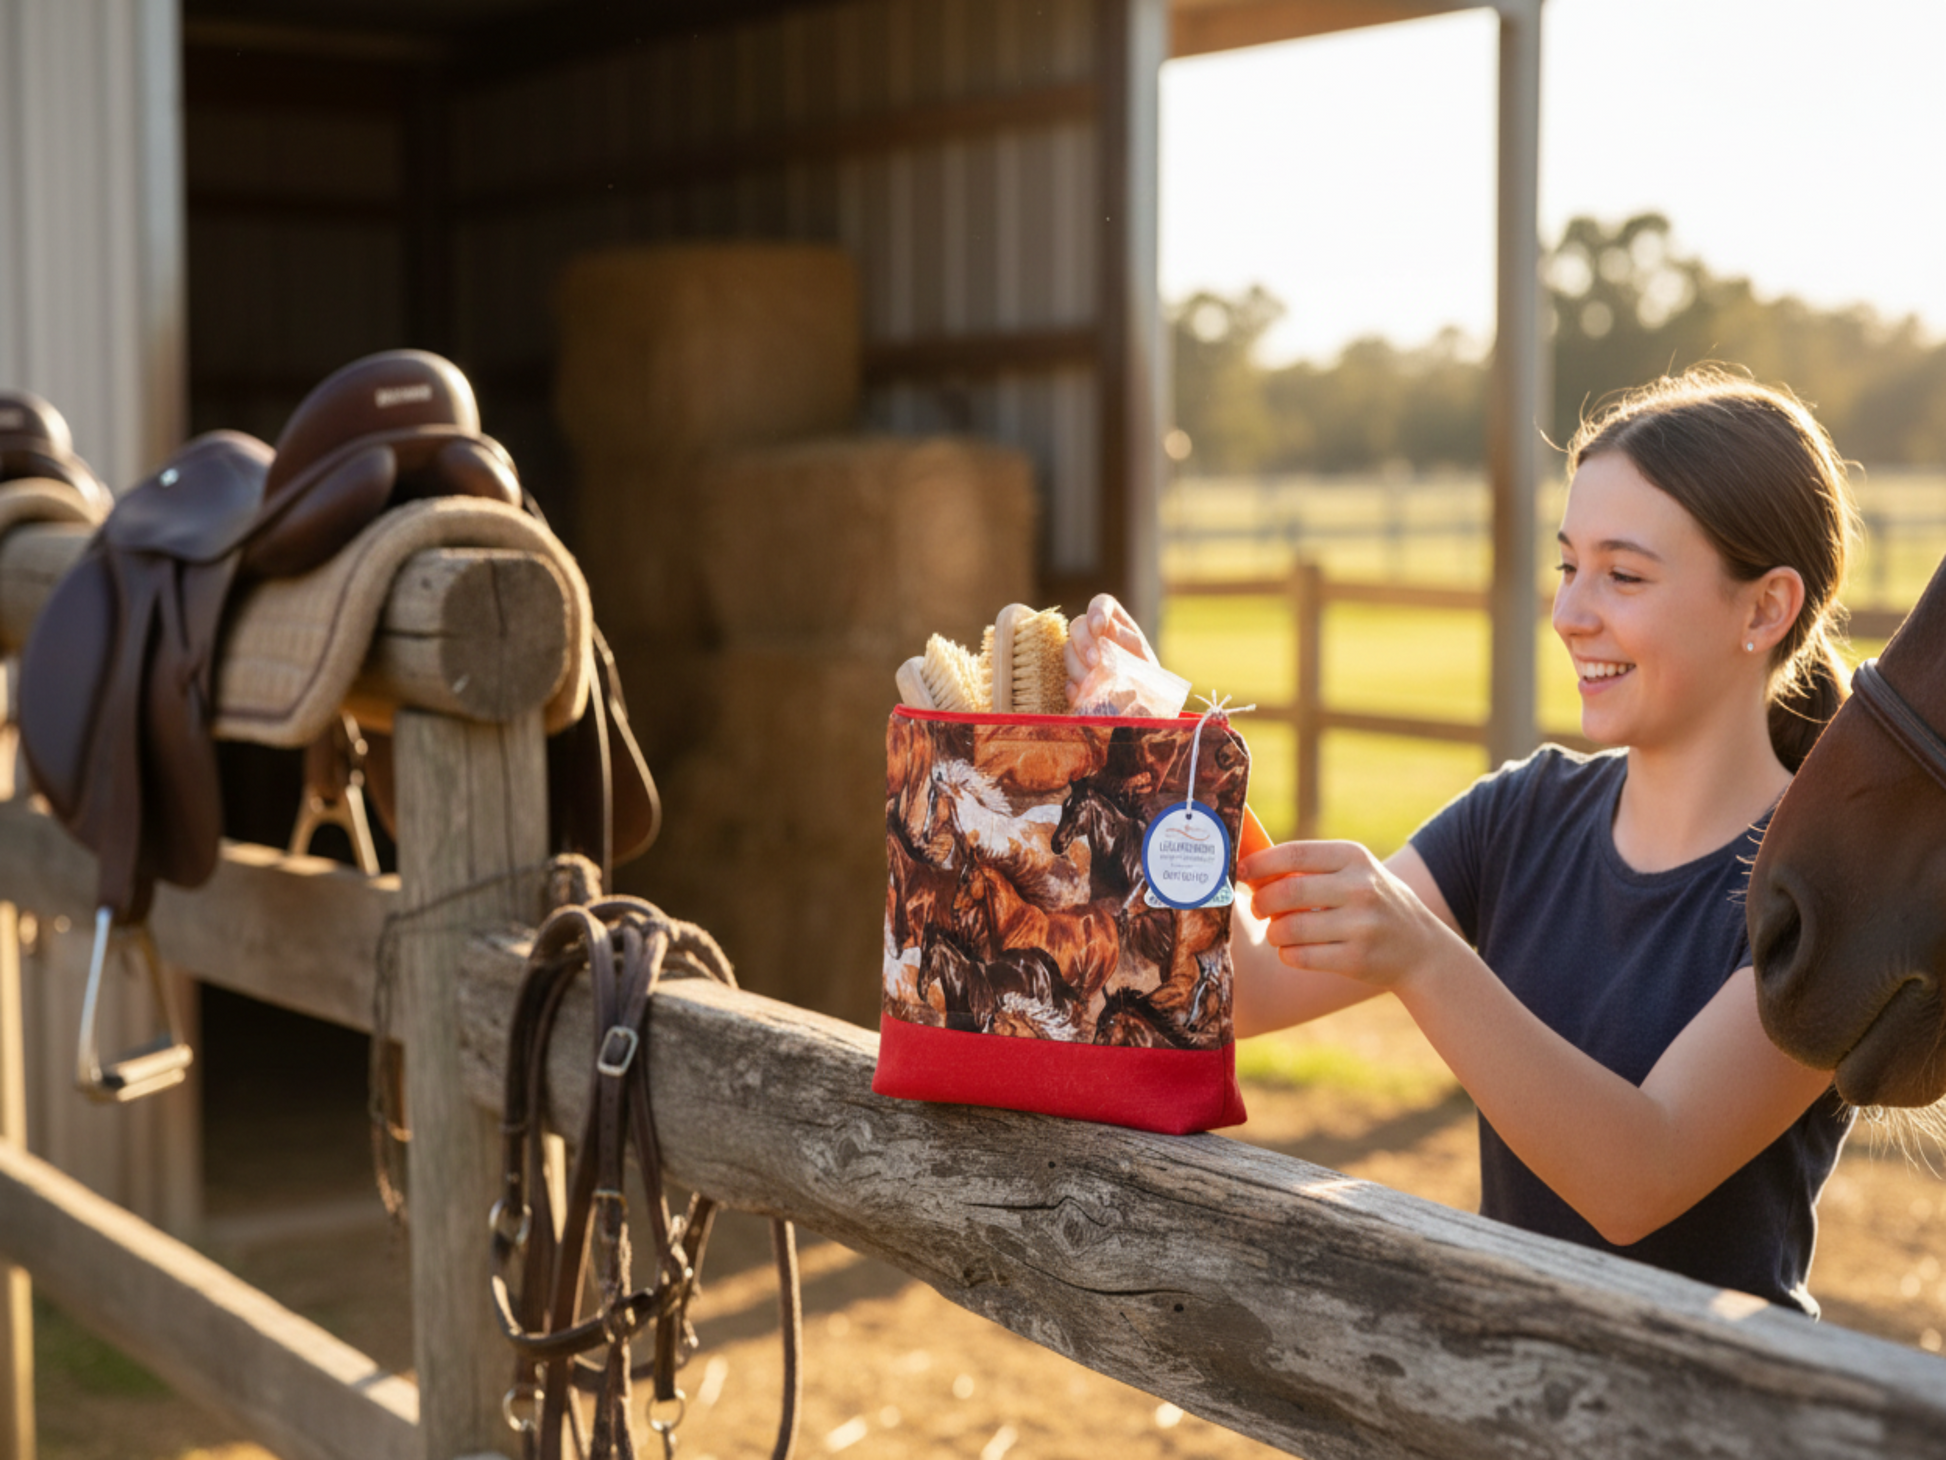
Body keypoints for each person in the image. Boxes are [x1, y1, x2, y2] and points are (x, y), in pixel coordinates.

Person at [1068, 367, 1856, 1314]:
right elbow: (1251, 986)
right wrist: (1152, 757)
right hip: (1508, 1394)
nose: (1570, 613)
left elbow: (1636, 1180)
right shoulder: (1521, 815)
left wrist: (1425, 957)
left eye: (1625, 574)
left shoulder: (1824, 895)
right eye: (1569, 566)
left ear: (1765, 608)